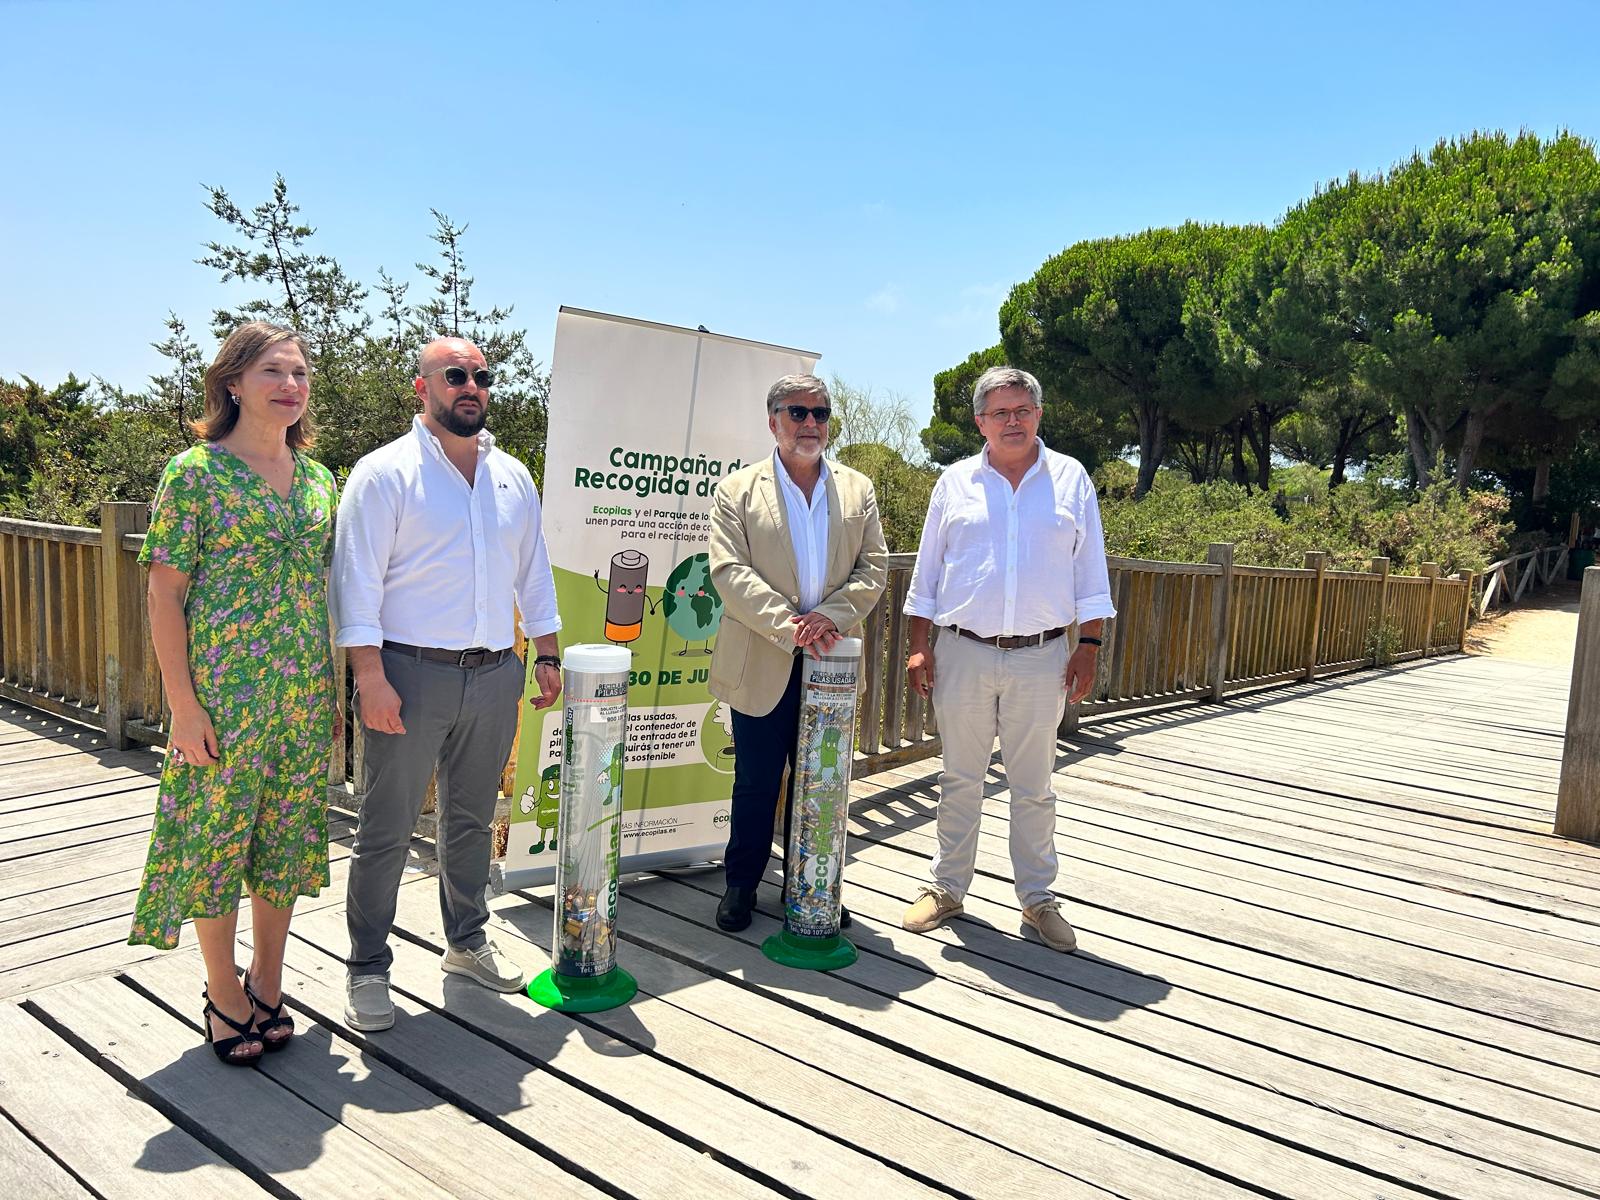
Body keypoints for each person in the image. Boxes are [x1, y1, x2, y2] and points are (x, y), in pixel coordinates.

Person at [333, 337, 562, 1031]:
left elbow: (535, 574)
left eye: (481, 376)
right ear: (421, 387)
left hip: (495, 672)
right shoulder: (383, 474)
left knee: (469, 821)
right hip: (407, 672)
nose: (471, 386)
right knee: (387, 826)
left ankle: (465, 942)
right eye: (454, 375)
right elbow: (356, 584)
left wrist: (546, 656)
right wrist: (369, 677)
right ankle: (367, 967)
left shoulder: (512, 476)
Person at [130, 321, 339, 1065]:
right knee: (215, 846)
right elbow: (163, 595)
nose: (291, 386)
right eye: (273, 372)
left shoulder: (320, 478)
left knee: (283, 843)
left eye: (301, 373)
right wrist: (183, 707)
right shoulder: (194, 472)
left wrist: (337, 696)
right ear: (232, 384)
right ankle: (222, 990)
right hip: (222, 698)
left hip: (303, 698)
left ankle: (270, 979)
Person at [901, 365, 1115, 953]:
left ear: (1039, 415)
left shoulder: (1072, 480)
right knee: (959, 778)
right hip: (962, 650)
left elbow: (1090, 573)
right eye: (1000, 412)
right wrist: (920, 646)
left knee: (1034, 786)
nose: (1013, 420)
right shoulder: (954, 482)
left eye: (1023, 409)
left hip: (1042, 656)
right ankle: (946, 888)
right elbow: (927, 575)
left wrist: (1088, 646)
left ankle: (1038, 901)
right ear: (980, 422)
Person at [707, 375, 888, 931]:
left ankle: (812, 886)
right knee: (757, 782)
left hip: (830, 665)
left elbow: (874, 567)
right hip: (762, 660)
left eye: (820, 412)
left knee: (821, 784)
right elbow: (728, 573)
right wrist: (792, 627)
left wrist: (825, 620)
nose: (810, 423)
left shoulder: (858, 489)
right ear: (773, 421)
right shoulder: (736, 490)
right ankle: (741, 885)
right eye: (797, 412)